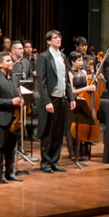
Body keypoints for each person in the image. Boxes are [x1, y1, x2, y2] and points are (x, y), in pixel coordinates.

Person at [34, 30, 76, 173]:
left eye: (60, 37)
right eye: (55, 38)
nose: (58, 40)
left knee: (58, 132)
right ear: (48, 41)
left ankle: (54, 161)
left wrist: (71, 97)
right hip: (50, 99)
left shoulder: (63, 56)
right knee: (48, 132)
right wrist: (47, 101)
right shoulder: (43, 57)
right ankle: (45, 162)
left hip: (62, 99)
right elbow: (42, 82)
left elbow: (67, 80)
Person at [0, 52, 23, 183]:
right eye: (8, 61)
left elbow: (17, 95)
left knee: (11, 147)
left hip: (14, 118)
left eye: (11, 60)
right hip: (2, 118)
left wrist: (20, 100)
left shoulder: (15, 78)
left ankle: (10, 172)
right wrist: (11, 102)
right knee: (0, 148)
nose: (11, 63)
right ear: (0, 64)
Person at [67, 51, 98, 165]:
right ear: (72, 62)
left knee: (81, 125)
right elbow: (71, 90)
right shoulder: (69, 73)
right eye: (79, 60)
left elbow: (88, 86)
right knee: (72, 127)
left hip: (83, 100)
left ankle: (80, 151)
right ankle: (72, 153)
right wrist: (86, 89)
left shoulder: (84, 72)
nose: (81, 63)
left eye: (82, 60)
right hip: (73, 100)